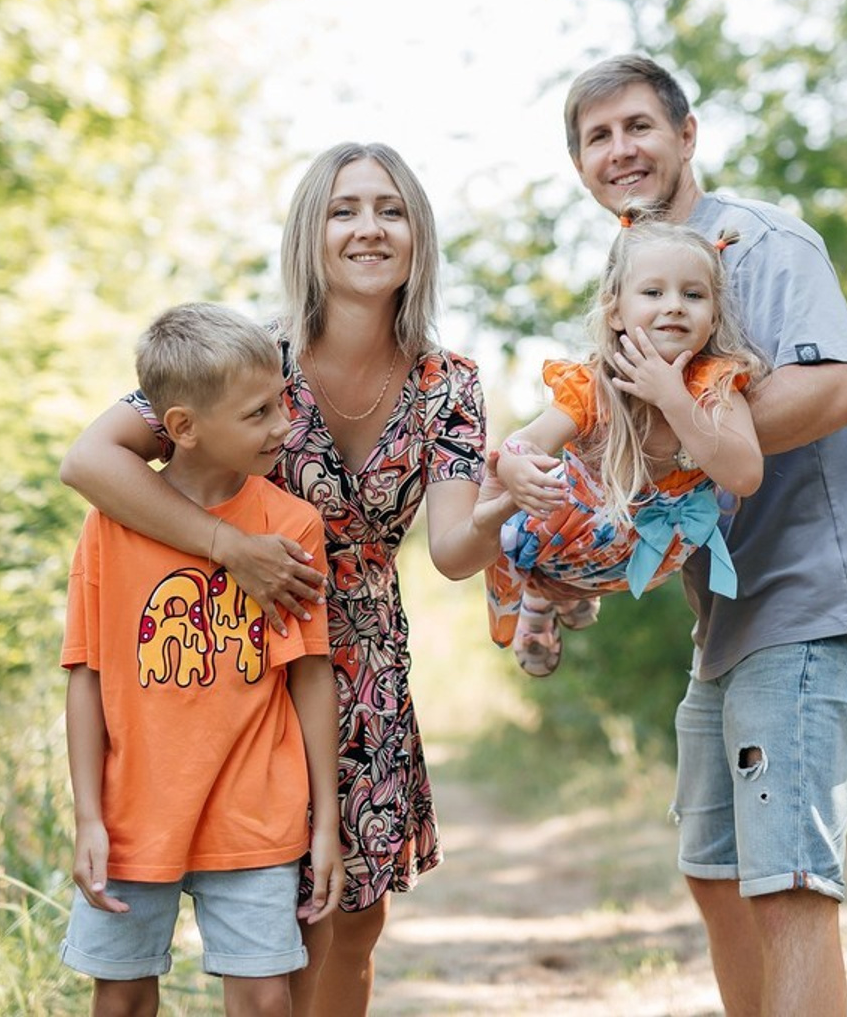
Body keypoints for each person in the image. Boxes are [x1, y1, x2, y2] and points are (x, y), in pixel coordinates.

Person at [60, 143, 513, 1017]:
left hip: (364, 664)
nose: (369, 227)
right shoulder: (246, 365)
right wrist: (228, 549)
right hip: (235, 659)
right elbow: (90, 459)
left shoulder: (450, 386)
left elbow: (455, 550)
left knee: (350, 915)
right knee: (274, 921)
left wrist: (510, 504)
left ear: (418, 235)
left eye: (391, 209)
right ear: (311, 234)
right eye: (344, 209)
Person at [562, 54, 847, 1016]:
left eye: (638, 125)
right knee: (714, 873)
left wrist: (687, 428)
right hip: (722, 626)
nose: (620, 149)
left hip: (808, 602)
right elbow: (620, 453)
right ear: (582, 167)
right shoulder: (634, 283)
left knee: (789, 882)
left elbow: (834, 388)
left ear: (687, 135)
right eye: (597, 137)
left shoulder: (762, 244)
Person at [59, 302, 342, 1016]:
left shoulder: (291, 525)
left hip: (255, 811)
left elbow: (309, 674)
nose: (285, 425)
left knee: (264, 1001)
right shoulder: (110, 525)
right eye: (258, 414)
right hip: (132, 813)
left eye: (282, 400)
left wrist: (327, 821)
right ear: (182, 427)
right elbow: (86, 676)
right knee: (120, 998)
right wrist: (88, 816)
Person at [485, 207, 767, 676]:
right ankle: (539, 601)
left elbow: (746, 475)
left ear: (714, 315)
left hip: (643, 554)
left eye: (693, 294)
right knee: (502, 517)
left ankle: (560, 599)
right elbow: (526, 442)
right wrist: (514, 466)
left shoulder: (714, 383)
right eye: (654, 292)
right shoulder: (593, 385)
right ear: (615, 310)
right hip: (571, 543)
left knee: (612, 514)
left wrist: (673, 398)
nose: (675, 305)